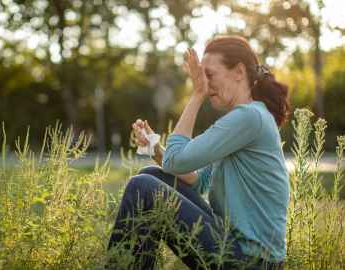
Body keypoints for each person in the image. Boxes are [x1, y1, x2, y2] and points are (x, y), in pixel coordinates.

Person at [107, 36, 290, 270]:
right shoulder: (245, 119)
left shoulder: (249, 117)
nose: (204, 83)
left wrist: (197, 95)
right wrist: (155, 149)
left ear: (239, 72)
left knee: (142, 187)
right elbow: (200, 182)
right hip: (235, 250)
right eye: (201, 77)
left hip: (251, 262)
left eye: (209, 75)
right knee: (152, 175)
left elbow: (175, 161)